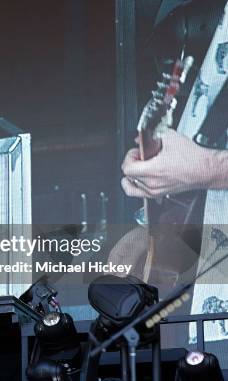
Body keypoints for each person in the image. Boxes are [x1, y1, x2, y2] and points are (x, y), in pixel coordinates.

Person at [109, 0, 228, 343]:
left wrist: (206, 168)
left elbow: (201, 170)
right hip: (198, 321)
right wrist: (146, 229)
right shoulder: (189, 88)